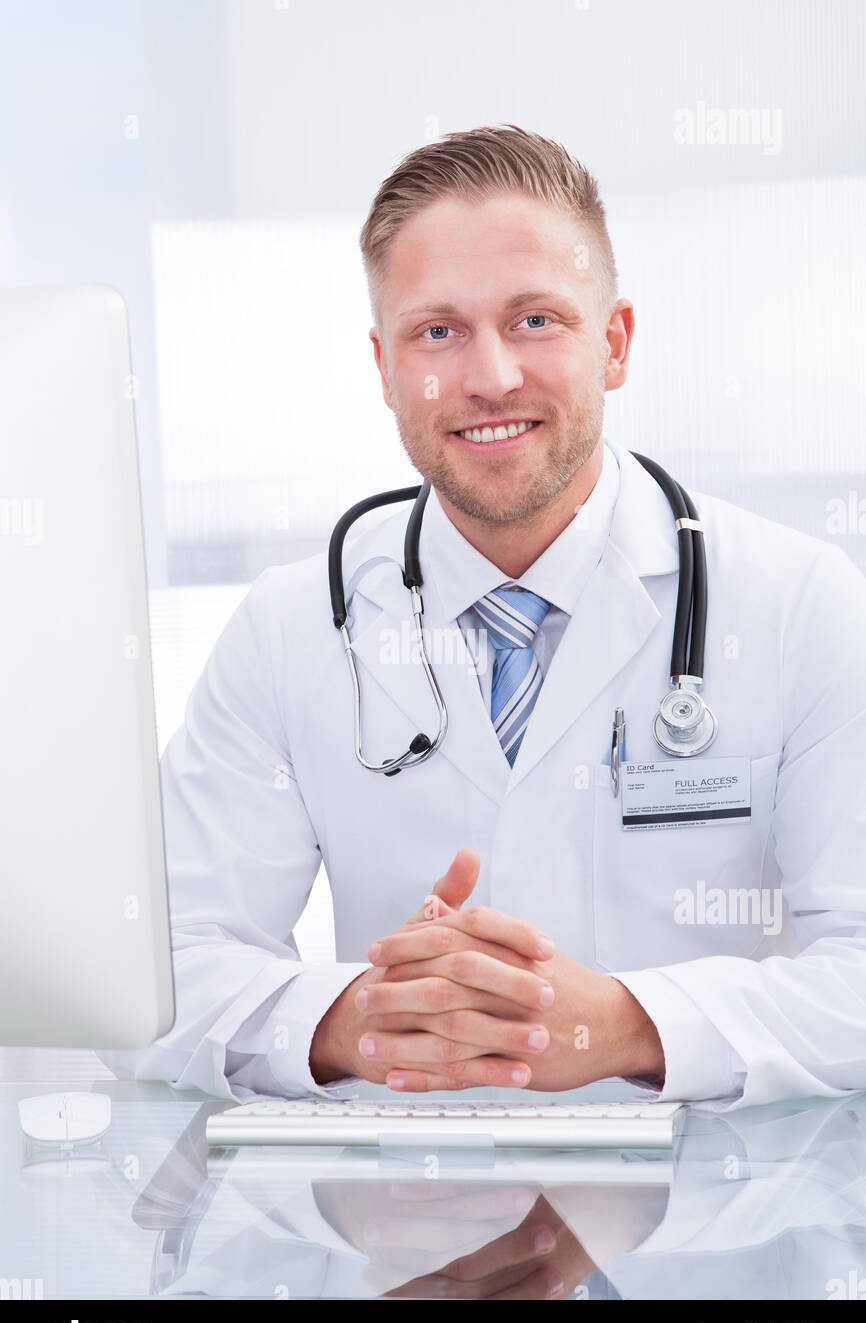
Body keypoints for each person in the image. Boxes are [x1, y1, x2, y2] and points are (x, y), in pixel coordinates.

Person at [103, 124, 866, 1109]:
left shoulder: (798, 603)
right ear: (383, 367)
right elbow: (145, 980)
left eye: (536, 320)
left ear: (615, 342)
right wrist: (350, 1023)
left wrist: (625, 1025)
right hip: (405, 1227)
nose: (490, 376)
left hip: (704, 1246)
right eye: (436, 331)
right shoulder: (290, 629)